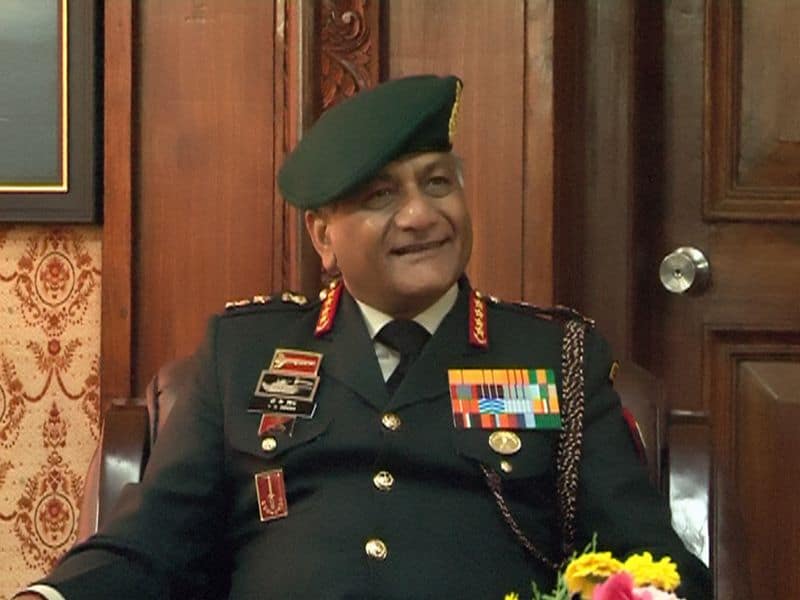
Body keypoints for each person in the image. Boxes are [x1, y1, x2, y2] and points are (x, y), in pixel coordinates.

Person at [19, 75, 711, 599]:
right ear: (324, 237)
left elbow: (649, 560)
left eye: (437, 183)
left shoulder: (553, 358)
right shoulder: (245, 353)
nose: (420, 216)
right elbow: (150, 544)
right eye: (381, 196)